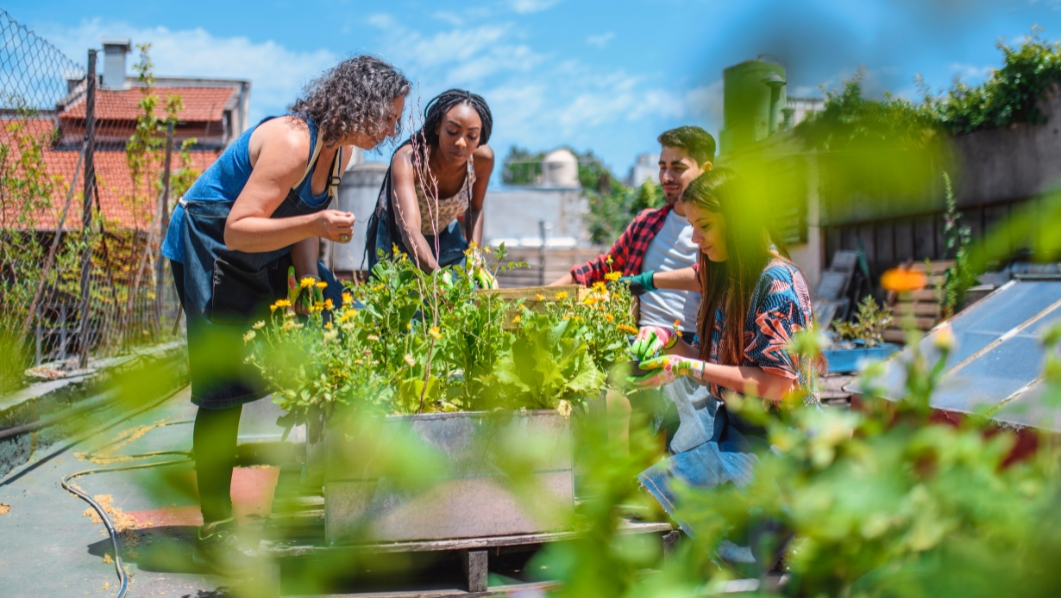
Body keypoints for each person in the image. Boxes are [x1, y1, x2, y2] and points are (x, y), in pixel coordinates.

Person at [159, 55, 410, 574]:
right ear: (361, 103)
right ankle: (217, 525)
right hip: (212, 245)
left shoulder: (336, 155)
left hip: (257, 254)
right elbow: (237, 227)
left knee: (322, 328)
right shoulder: (295, 141)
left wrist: (316, 290)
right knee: (223, 389)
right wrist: (318, 222)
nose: (393, 129)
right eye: (389, 116)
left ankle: (322, 484)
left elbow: (299, 232)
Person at [628, 168, 822, 564]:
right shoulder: (728, 275)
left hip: (782, 442)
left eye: (705, 226)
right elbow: (711, 354)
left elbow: (774, 386)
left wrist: (685, 367)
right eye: (692, 226)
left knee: (718, 525)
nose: (695, 238)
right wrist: (667, 339)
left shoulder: (776, 283)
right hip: (737, 427)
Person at [551, 127, 715, 452]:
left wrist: (647, 280)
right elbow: (602, 268)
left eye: (678, 167)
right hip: (637, 340)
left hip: (691, 348)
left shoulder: (715, 230)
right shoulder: (647, 223)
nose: (667, 176)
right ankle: (621, 484)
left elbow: (711, 276)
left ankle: (640, 485)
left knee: (653, 425)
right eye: (662, 166)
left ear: (705, 169)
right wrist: (544, 292)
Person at [366, 89, 494, 272]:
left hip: (443, 232)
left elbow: (475, 208)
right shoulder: (410, 160)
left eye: (472, 136)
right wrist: (438, 278)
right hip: (397, 235)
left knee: (468, 290)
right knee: (394, 297)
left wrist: (474, 253)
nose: (461, 143)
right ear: (437, 127)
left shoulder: (482, 160)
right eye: (452, 131)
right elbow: (409, 228)